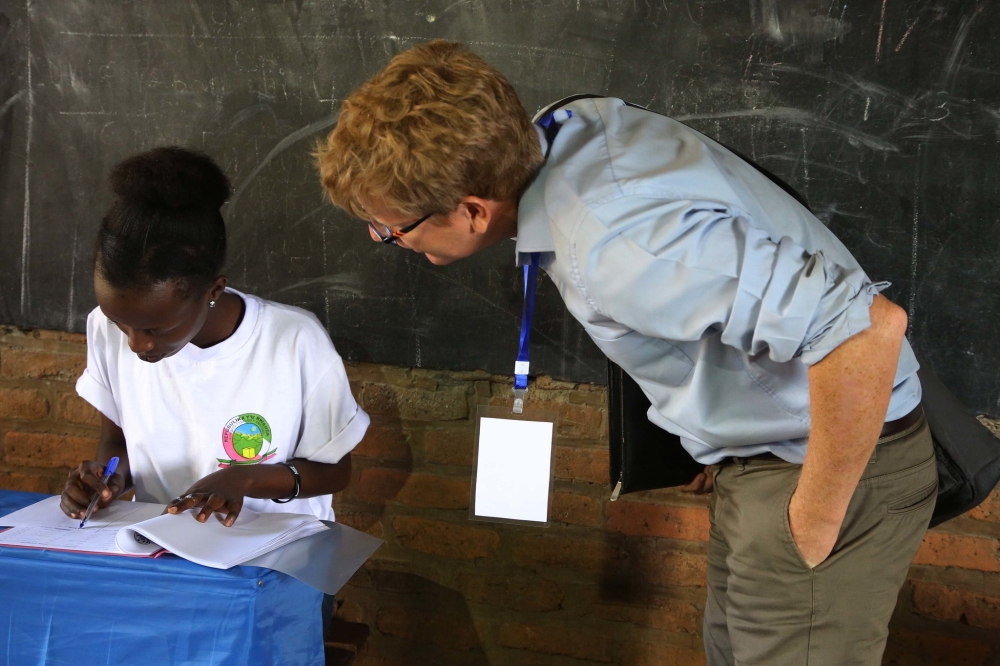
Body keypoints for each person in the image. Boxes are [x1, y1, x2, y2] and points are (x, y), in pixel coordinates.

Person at [316, 40, 937, 666]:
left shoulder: (613, 248)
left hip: (822, 460)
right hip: (772, 455)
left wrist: (811, 522)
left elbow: (865, 329)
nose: (385, 238)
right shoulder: (564, 126)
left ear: (473, 210)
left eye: (392, 228)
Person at [61, 146, 369, 631]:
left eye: (158, 330)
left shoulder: (292, 340)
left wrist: (246, 478)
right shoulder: (105, 327)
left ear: (214, 289)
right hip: (163, 559)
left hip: (274, 569)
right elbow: (116, 439)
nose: (137, 345)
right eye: (123, 324)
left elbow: (334, 473)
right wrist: (108, 478)